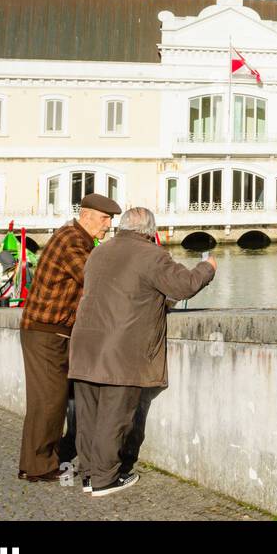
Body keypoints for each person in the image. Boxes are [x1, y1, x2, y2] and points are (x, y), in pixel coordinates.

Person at [69, 207, 216, 497]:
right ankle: (105, 479)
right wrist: (207, 267)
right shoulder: (152, 254)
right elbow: (184, 285)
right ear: (150, 231)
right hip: (121, 350)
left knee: (88, 416)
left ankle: (88, 474)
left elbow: (124, 291)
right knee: (115, 415)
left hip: (85, 345)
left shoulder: (100, 251)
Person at [17, 192, 120, 482]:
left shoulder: (77, 238)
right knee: (49, 400)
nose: (108, 224)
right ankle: (39, 466)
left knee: (47, 399)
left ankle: (33, 463)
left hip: (50, 330)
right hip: (46, 331)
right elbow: (93, 276)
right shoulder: (72, 241)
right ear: (86, 216)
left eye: (110, 219)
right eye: (104, 218)